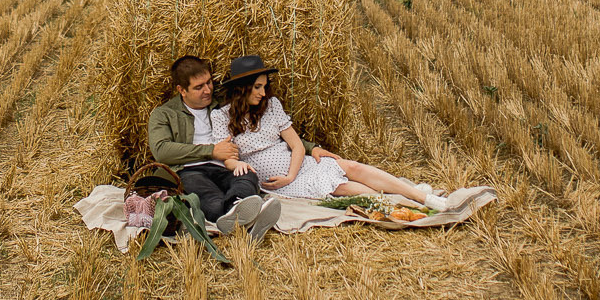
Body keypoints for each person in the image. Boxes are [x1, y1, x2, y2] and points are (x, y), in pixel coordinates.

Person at [212, 56, 452, 209]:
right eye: (257, 87)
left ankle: (420, 198)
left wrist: (292, 174)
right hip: (279, 184)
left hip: (298, 168)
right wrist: (236, 166)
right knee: (347, 189)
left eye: (264, 86)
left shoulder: (271, 106)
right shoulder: (221, 116)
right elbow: (227, 157)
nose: (263, 93)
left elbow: (296, 146)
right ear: (241, 88)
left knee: (352, 167)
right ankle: (408, 202)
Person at [146, 55, 280, 235]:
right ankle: (244, 221)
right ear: (182, 90)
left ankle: (237, 209)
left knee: (247, 176)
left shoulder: (223, 104)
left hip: (226, 166)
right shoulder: (164, 114)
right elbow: (162, 151)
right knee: (208, 197)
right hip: (191, 170)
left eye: (209, 82)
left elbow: (271, 125)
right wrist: (212, 151)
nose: (208, 90)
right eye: (199, 87)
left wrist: (311, 147)